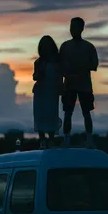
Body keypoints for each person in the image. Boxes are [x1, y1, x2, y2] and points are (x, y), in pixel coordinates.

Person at [59, 17, 99, 148]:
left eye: (75, 27)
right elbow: (60, 66)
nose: (73, 30)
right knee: (67, 113)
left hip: (84, 86)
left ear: (82, 29)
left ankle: (89, 139)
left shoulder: (89, 47)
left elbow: (94, 64)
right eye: (71, 27)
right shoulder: (65, 46)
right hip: (69, 85)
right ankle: (66, 140)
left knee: (86, 112)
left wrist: (79, 71)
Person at [32, 35, 62, 149]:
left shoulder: (57, 62)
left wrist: (61, 88)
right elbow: (35, 77)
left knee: (51, 115)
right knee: (40, 115)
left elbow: (60, 76)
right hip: (40, 91)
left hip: (52, 91)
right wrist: (39, 72)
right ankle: (42, 140)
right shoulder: (39, 62)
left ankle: (51, 140)